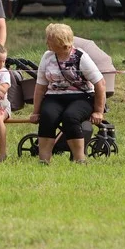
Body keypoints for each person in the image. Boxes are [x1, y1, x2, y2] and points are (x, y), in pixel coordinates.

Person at [29, 23, 107, 164]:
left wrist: (98, 112)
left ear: (60, 42)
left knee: (70, 117)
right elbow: (40, 87)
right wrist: (36, 112)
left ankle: (79, 159)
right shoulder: (47, 57)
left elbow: (100, 84)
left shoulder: (81, 57)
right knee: (47, 116)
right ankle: (44, 160)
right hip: (54, 96)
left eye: (49, 39)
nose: (46, 42)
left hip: (81, 97)